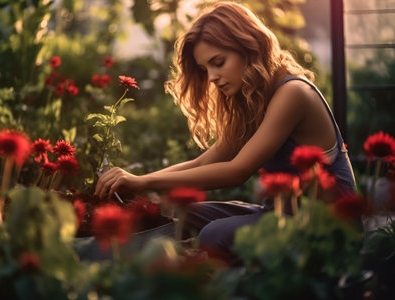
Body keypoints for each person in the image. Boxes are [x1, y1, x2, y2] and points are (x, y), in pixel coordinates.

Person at [95, 1, 356, 264]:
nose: (211, 77)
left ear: (248, 47)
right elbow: (204, 161)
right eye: (205, 68)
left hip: (327, 225)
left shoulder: (293, 93)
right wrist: (140, 183)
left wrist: (143, 183)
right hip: (280, 215)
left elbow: (236, 171)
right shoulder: (256, 98)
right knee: (180, 213)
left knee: (212, 234)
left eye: (218, 63)